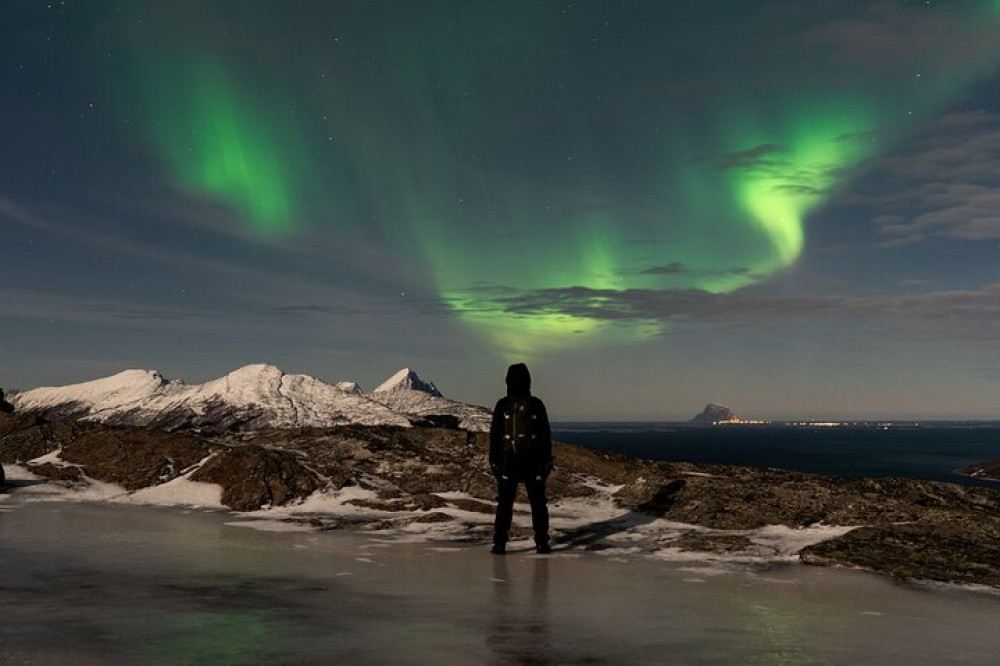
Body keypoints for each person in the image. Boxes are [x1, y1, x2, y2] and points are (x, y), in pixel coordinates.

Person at [489, 363, 553, 555]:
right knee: (538, 503)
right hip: (533, 461)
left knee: (505, 504)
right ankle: (542, 542)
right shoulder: (536, 404)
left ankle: (500, 543)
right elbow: (545, 435)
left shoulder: (502, 405)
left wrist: (494, 462)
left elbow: (495, 435)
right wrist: (547, 461)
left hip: (509, 460)